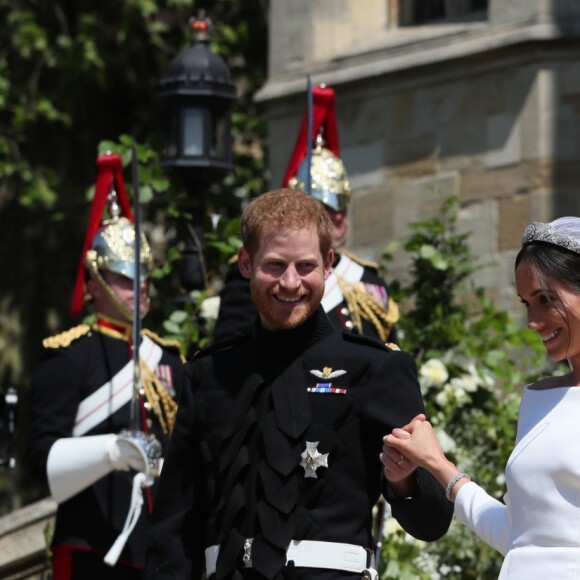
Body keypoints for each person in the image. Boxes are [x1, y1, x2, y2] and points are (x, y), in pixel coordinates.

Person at [145, 188, 452, 580]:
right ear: (245, 263)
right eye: (274, 265)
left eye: (304, 266)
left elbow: (433, 522)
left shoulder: (376, 368)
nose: (290, 283)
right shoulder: (208, 375)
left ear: (327, 265)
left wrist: (404, 480)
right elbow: (174, 528)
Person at [382, 215, 580, 579]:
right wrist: (436, 464)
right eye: (526, 304)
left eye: (546, 299)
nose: (533, 321)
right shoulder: (540, 399)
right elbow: (518, 538)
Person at [26, 153, 183, 580]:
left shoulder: (167, 358)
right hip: (93, 548)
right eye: (126, 279)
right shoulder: (70, 356)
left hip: (161, 546)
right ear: (95, 285)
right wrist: (111, 452)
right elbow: (43, 461)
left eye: (144, 278)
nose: (141, 289)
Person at [213, 85, 399, 344]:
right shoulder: (258, 269)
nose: (332, 217)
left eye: (338, 208)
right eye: (321, 208)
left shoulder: (366, 280)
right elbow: (232, 347)